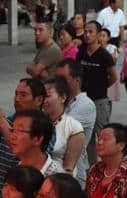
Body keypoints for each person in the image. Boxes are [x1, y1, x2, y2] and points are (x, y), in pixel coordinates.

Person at [77, 21, 117, 165]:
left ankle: (106, 165)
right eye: (85, 32)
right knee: (86, 136)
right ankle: (93, 166)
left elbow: (113, 77)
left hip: (100, 101)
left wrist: (102, 87)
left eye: (91, 32)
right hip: (83, 101)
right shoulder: (81, 52)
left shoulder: (104, 55)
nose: (87, 35)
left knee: (102, 135)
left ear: (98, 34)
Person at [56, 59, 96, 187]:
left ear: (77, 80)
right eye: (57, 78)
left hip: (73, 172)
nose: (58, 83)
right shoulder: (63, 101)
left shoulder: (85, 105)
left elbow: (59, 128)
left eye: (63, 79)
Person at [43, 77, 85, 183]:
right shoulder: (36, 120)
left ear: (62, 98)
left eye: (48, 96)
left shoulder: (74, 128)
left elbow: (68, 169)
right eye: (42, 96)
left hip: (57, 183)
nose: (44, 100)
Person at [100, 29, 120, 110]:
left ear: (108, 38)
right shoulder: (95, 47)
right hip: (100, 76)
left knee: (109, 99)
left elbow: (112, 61)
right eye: (100, 35)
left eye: (103, 36)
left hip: (110, 76)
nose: (101, 38)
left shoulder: (112, 47)